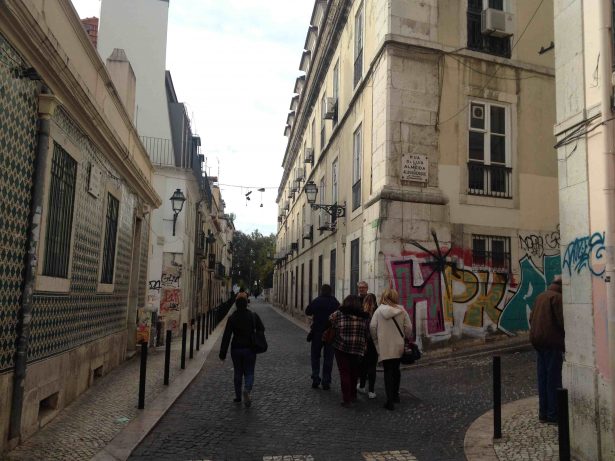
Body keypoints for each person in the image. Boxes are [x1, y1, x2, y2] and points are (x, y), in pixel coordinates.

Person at [529, 275, 564, 424]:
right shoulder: (558, 298)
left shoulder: (540, 296)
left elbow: (531, 318)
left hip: (538, 341)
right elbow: (563, 322)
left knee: (542, 378)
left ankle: (543, 413)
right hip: (552, 342)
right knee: (553, 379)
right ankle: (552, 414)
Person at [370, 288, 412, 411]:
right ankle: (395, 395)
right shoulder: (402, 310)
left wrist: (376, 341)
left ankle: (389, 401)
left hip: (384, 345)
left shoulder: (378, 311)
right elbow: (408, 328)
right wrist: (404, 337)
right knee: (396, 370)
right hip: (398, 344)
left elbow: (372, 327)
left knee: (388, 371)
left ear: (384, 297)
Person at [219, 296, 265, 407]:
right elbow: (262, 328)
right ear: (247, 303)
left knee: (237, 372)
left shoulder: (232, 317)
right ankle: (247, 390)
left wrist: (222, 354)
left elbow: (227, 336)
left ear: (236, 305)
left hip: (236, 349)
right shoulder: (253, 316)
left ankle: (238, 396)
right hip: (250, 348)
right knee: (249, 371)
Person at [328, 295, 369, 407]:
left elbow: (330, 320)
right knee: (354, 372)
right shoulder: (364, 317)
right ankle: (353, 395)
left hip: (341, 347)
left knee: (344, 373)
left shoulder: (339, 314)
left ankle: (346, 399)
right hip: (357, 348)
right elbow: (367, 332)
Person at [305, 284, 340, 389]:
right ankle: (326, 381)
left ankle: (315, 378)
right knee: (328, 358)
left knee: (315, 356)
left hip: (317, 333)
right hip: (330, 333)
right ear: (331, 291)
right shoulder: (335, 302)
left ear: (321, 291)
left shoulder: (317, 301)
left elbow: (307, 311)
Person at [358, 293, 378, 399]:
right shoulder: (378, 312)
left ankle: (361, 386)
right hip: (373, 343)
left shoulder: (361, 313)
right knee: (372, 367)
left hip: (363, 342)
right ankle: (371, 391)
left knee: (363, 366)